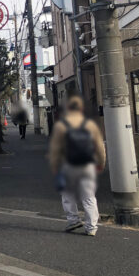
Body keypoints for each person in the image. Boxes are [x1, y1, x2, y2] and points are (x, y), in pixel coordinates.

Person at [48, 96, 106, 236]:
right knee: (89, 196)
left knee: (68, 195)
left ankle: (73, 220)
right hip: (87, 165)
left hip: (68, 165)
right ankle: (91, 227)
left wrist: (55, 165)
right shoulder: (90, 125)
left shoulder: (62, 125)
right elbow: (99, 146)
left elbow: (55, 149)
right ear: (81, 109)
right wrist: (101, 163)